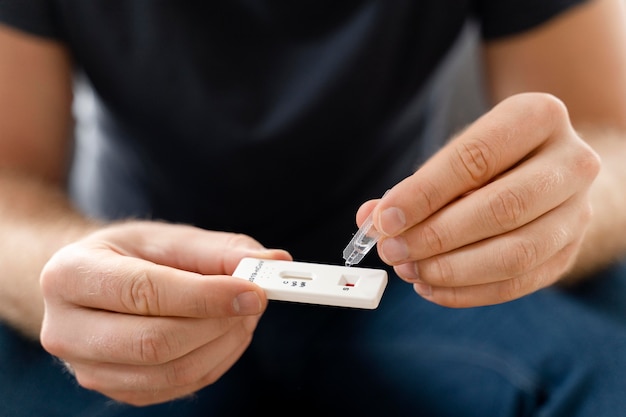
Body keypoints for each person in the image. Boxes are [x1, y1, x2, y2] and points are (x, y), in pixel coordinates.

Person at [1, 0, 625, 415]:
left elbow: (605, 144)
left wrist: (549, 213)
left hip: (403, 286)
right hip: (145, 286)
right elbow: (9, 188)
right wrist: (65, 277)